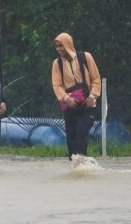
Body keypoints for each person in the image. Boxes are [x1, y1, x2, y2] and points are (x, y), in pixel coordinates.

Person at [51, 32, 101, 161]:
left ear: (68, 44)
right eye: (57, 46)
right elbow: (57, 86)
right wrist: (67, 98)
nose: (59, 49)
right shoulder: (57, 64)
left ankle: (82, 165)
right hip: (70, 106)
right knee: (71, 140)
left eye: (61, 45)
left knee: (81, 133)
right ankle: (77, 169)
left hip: (87, 104)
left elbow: (96, 79)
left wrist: (92, 96)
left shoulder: (86, 57)